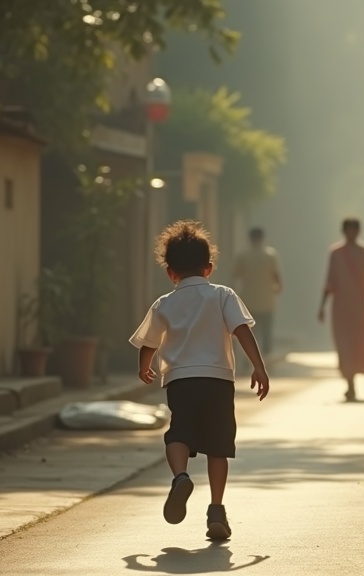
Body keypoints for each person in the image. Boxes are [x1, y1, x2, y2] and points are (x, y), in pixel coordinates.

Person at [129, 220, 270, 542]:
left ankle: (180, 476)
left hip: (180, 380)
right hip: (218, 380)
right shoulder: (223, 295)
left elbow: (149, 341)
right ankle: (216, 510)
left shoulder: (164, 302)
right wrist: (258, 367)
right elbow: (242, 331)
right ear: (208, 268)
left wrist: (144, 367)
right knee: (218, 446)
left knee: (179, 433)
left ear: (170, 272)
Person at [318, 218, 364, 402]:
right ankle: (350, 383)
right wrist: (322, 307)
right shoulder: (336, 253)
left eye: (354, 229)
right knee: (344, 345)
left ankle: (353, 380)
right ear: (343, 231)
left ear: (358, 231)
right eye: (348, 230)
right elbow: (329, 282)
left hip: (360, 308)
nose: (351, 233)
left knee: (358, 343)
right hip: (340, 308)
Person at [232, 228, 282, 358]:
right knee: (266, 333)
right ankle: (266, 359)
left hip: (248, 301)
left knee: (250, 333)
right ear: (262, 238)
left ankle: (249, 359)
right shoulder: (270, 255)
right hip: (267, 301)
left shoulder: (242, 256)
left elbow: (235, 276)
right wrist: (277, 289)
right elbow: (276, 277)